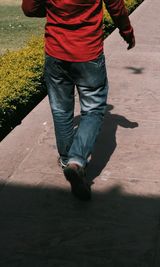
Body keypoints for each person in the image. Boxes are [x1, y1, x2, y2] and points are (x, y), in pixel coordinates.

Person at [21, 0, 135, 201]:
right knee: (93, 111)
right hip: (88, 54)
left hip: (56, 53)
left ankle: (67, 162)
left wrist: (57, 14)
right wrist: (127, 32)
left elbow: (30, 9)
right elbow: (116, 6)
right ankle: (76, 161)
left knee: (61, 111)